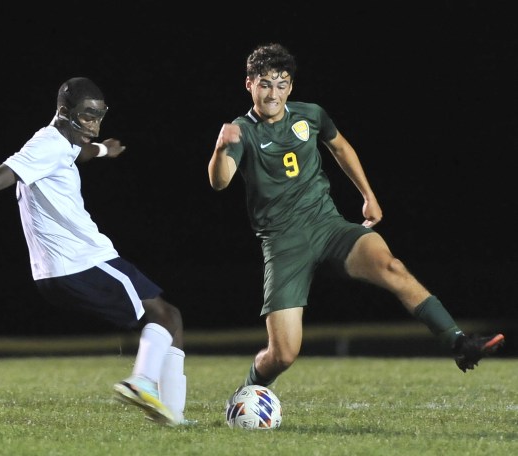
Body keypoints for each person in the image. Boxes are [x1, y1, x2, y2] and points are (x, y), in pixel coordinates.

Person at [207, 43, 505, 390]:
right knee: (283, 354)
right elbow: (220, 182)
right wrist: (220, 147)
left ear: (290, 86)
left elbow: (340, 147)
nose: (274, 93)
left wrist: (368, 196)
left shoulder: (310, 115)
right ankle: (249, 392)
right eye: (265, 84)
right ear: (249, 85)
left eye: (282, 84)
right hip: (283, 241)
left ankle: (458, 343)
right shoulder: (242, 130)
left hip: (328, 225)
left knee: (391, 266)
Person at [0, 76, 193, 426]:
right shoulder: (45, 145)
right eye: (87, 116)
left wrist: (105, 149)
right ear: (64, 112)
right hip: (82, 262)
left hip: (58, 273)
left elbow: (82, 153)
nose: (93, 124)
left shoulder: (64, 141)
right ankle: (141, 382)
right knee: (166, 316)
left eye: (99, 116)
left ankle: (174, 417)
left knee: (171, 319)